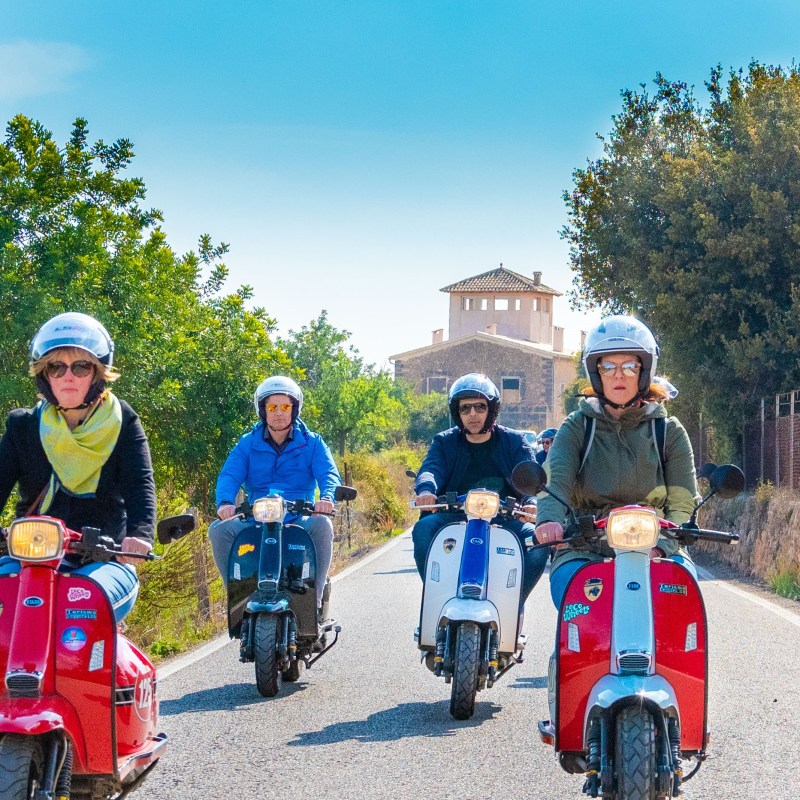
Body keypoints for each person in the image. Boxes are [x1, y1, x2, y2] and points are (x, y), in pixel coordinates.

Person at [0, 312, 156, 621]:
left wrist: (139, 534)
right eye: (57, 367)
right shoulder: (23, 426)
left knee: (82, 609)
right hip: (28, 557)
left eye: (80, 366)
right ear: (45, 375)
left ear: (97, 373)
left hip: (102, 560)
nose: (68, 376)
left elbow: (140, 484)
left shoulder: (123, 420)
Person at [534, 315, 698, 607]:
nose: (618, 375)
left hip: (658, 545)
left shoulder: (668, 430)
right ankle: (568, 653)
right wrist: (549, 520)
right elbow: (554, 480)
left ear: (644, 370)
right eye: (608, 366)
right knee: (577, 609)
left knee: (682, 608)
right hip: (585, 547)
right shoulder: (577, 426)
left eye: (629, 366)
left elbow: (683, 501)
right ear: (596, 373)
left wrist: (662, 546)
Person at [411, 373, 548, 605]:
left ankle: (512, 604)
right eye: (465, 408)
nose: (472, 414)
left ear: (492, 410)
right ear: (457, 412)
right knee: (423, 529)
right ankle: (437, 597)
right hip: (453, 516)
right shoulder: (444, 441)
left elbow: (528, 472)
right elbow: (431, 468)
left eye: (479, 406)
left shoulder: (514, 441)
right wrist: (426, 490)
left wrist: (530, 502)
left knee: (537, 542)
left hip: (505, 517)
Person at [210, 375, 340, 611]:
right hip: (255, 519)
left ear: (294, 409)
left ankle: (316, 599)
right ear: (263, 410)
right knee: (218, 530)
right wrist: (225, 503)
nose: (279, 413)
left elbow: (329, 473)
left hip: (298, 518)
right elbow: (229, 475)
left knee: (323, 526)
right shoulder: (247, 444)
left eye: (285, 407)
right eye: (272, 407)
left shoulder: (313, 443)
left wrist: (327, 498)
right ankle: (236, 598)